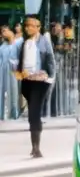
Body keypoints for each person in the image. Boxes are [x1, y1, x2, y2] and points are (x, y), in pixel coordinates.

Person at [16, 15, 55, 158]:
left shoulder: (44, 41)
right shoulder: (25, 42)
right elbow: (21, 60)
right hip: (27, 81)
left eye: (32, 25)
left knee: (34, 113)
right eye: (27, 25)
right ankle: (34, 147)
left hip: (40, 81)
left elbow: (50, 60)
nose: (28, 28)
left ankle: (36, 148)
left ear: (38, 27)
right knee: (32, 115)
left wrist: (50, 77)